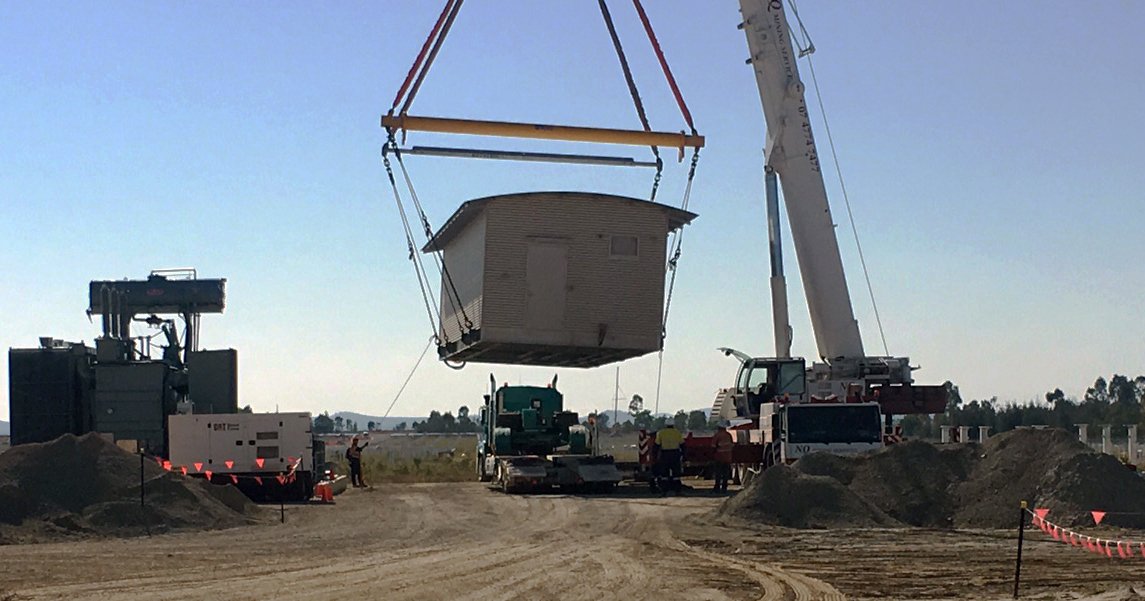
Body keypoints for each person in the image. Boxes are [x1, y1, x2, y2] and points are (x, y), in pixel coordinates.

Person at [654, 423, 684, 494]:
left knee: (664, 474)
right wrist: (683, 455)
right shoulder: (677, 432)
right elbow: (682, 444)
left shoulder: (661, 433)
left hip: (665, 455)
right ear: (673, 424)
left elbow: (656, 445)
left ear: (665, 424)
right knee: (676, 474)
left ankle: (664, 491)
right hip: (675, 454)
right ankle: (677, 491)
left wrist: (655, 456)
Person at [711, 422, 735, 492]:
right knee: (725, 473)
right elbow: (732, 444)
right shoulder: (728, 435)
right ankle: (724, 487)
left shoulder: (717, 435)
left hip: (720, 457)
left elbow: (713, 446)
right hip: (728, 457)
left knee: (718, 472)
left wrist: (712, 455)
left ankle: (717, 487)